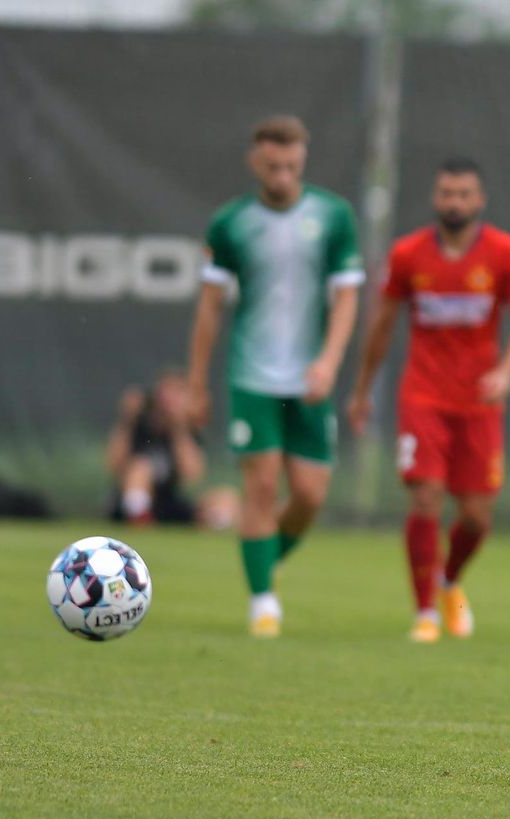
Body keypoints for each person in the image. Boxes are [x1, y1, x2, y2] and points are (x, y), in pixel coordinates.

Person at [186, 115, 363, 638]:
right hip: (253, 376)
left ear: (302, 160)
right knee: (261, 487)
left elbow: (348, 296)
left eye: (291, 165)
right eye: (272, 164)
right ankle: (263, 601)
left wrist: (329, 361)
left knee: (309, 495)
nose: (282, 174)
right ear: (254, 161)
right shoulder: (230, 223)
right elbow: (210, 308)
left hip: (310, 378)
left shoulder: (333, 215)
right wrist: (197, 382)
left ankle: (264, 558)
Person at [348, 158, 510, 644]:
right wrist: (363, 391)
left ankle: (449, 580)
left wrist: (505, 371)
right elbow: (383, 326)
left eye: (464, 194)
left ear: (480, 200)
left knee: (475, 517)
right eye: (447, 194)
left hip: (479, 402)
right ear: (435, 199)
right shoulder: (409, 254)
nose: (455, 203)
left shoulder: (504, 252)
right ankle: (425, 612)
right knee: (426, 498)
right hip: (423, 396)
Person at [106, 370, 206, 526]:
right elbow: (114, 464)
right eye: (167, 391)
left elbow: (191, 474)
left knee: (224, 498)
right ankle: (139, 517)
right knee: (140, 467)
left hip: (167, 500)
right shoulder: (139, 423)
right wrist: (128, 420)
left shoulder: (184, 432)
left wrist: (178, 428)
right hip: (129, 500)